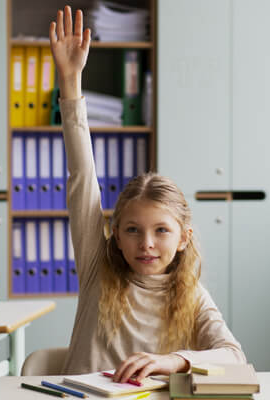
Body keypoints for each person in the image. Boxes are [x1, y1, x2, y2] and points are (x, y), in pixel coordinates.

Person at [49, 6, 246, 383]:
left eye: (161, 230)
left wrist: (175, 361)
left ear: (184, 238)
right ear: (116, 235)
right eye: (133, 230)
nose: (146, 244)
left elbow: (234, 357)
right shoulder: (98, 268)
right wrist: (71, 80)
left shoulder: (190, 295)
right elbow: (82, 178)